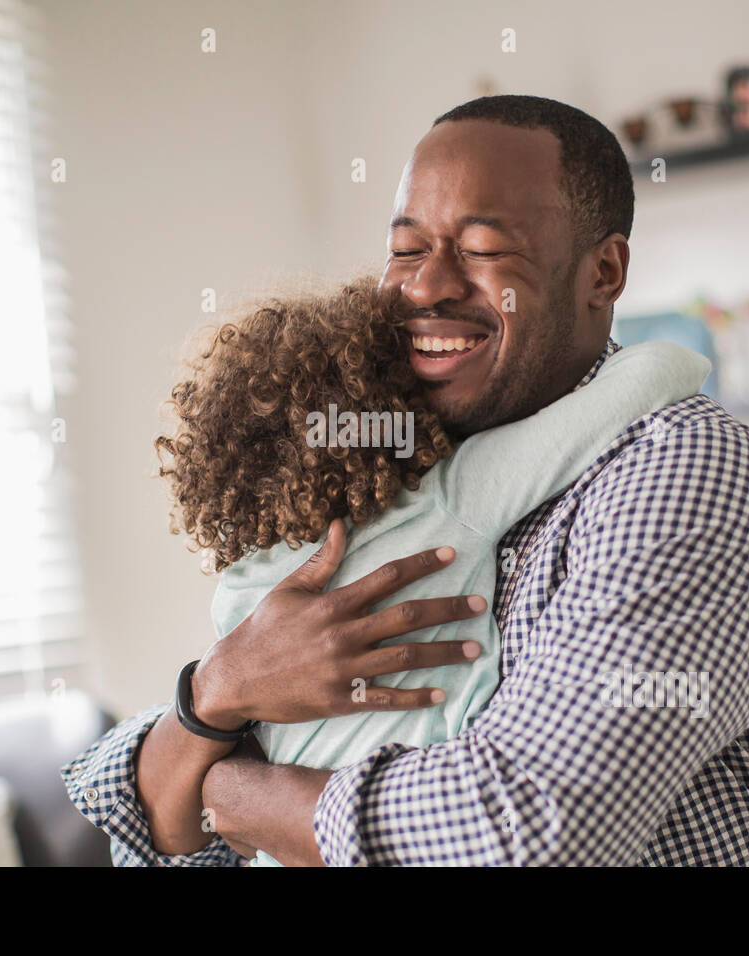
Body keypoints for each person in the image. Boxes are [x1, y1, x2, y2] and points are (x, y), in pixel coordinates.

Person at [62, 94, 749, 866]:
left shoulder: (687, 473)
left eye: (481, 248)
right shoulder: (380, 477)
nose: (427, 286)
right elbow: (144, 830)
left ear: (602, 273)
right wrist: (218, 692)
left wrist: (243, 798)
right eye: (405, 250)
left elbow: (534, 832)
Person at [153, 274, 710, 865]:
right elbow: (658, 375)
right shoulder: (445, 502)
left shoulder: (240, 588)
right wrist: (687, 342)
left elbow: (181, 805)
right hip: (418, 831)